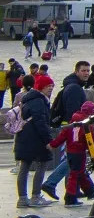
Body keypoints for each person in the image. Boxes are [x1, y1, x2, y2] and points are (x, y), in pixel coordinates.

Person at [12, 79, 53, 208]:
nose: (50, 88)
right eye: (48, 86)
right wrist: (49, 140)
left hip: (25, 138)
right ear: (40, 87)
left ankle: (23, 199)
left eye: (52, 86)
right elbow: (40, 122)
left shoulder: (28, 99)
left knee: (25, 166)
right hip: (35, 139)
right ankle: (35, 196)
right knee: (42, 164)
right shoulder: (39, 101)